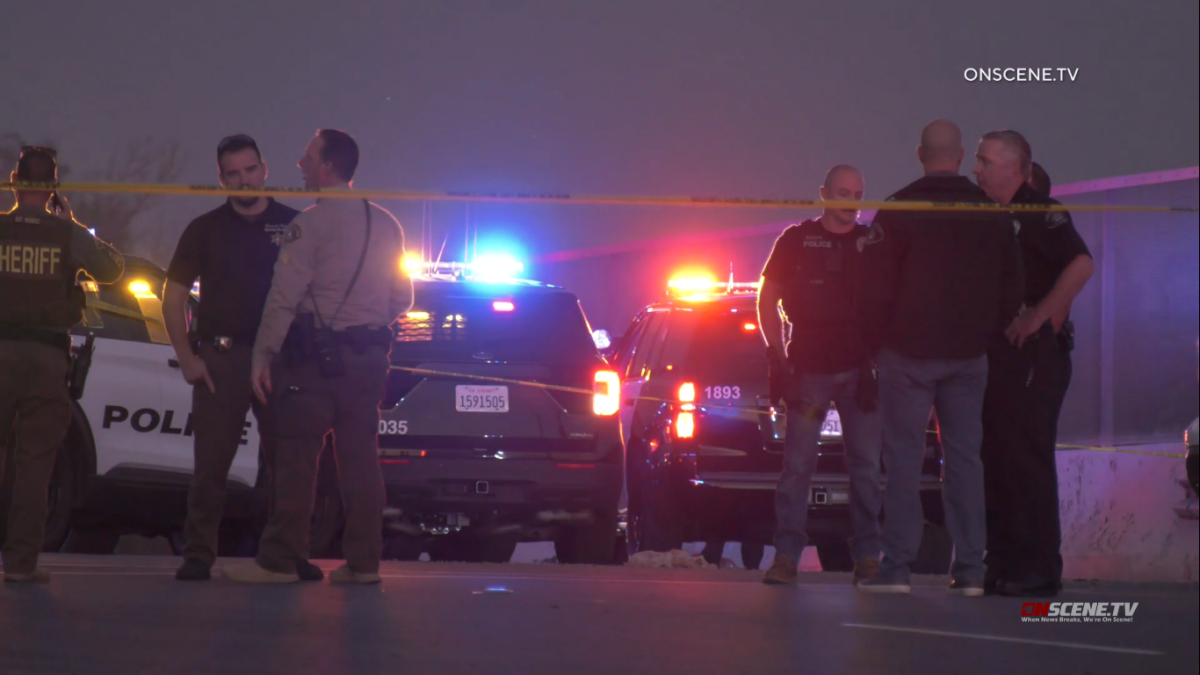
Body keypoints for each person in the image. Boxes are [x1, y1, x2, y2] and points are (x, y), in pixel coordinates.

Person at [222, 129, 413, 584]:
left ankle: (279, 561)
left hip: (316, 363)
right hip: (369, 361)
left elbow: (282, 298)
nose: (300, 165)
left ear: (327, 167)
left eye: (307, 158)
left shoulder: (309, 224)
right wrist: (365, 321)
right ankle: (364, 564)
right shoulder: (386, 224)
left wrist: (262, 357)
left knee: (296, 457)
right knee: (361, 460)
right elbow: (402, 299)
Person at [856, 120, 1023, 596]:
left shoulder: (897, 209)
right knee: (965, 462)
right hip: (969, 356)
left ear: (919, 153)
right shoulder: (990, 213)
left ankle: (897, 569)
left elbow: (871, 290)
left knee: (904, 462)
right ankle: (970, 569)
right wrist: (984, 335)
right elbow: (1012, 285)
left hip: (907, 355)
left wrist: (877, 345)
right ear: (961, 154)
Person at [163, 134, 321, 582]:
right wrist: (188, 359)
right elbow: (171, 296)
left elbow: (319, 294)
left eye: (250, 169)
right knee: (210, 464)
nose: (243, 179)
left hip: (282, 360)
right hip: (223, 358)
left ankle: (289, 553)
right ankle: (198, 554)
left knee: (290, 465)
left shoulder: (296, 225)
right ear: (221, 178)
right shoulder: (204, 228)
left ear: (264, 169)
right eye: (233, 173)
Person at [974, 130, 1093, 597]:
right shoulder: (984, 214)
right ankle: (1001, 561)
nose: (977, 169)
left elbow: (1080, 264)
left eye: (985, 161)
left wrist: (1037, 316)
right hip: (994, 356)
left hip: (1032, 357)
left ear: (1013, 167)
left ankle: (1038, 567)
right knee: (996, 458)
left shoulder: (1042, 212)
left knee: (1026, 459)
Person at [1, 146, 124, 582]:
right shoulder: (66, 233)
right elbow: (112, 270)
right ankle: (20, 565)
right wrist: (68, 220)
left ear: (14, 181)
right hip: (46, 358)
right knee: (35, 465)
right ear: (52, 186)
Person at [758, 165, 884, 586]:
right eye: (844, 192)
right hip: (809, 368)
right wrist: (777, 357)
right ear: (825, 194)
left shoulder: (872, 242)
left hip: (860, 370)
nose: (851, 202)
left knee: (866, 468)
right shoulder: (796, 240)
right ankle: (787, 557)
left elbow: (894, 300)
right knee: (797, 467)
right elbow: (768, 296)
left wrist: (879, 360)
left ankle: (868, 557)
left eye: (858, 194)